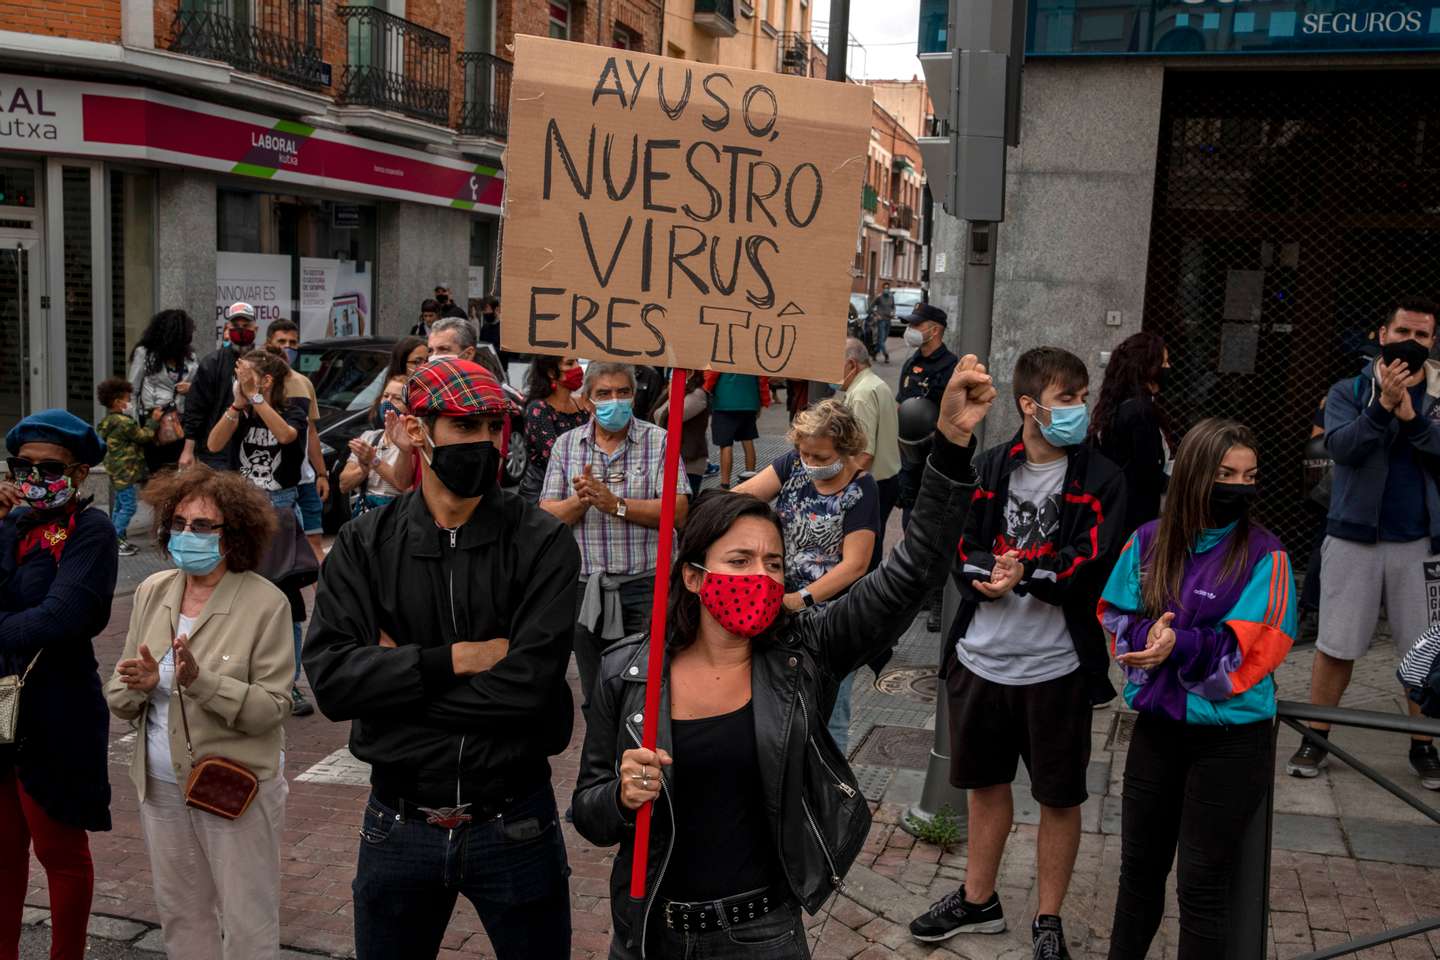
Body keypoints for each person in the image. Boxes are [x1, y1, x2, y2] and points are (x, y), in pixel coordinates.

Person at [572, 356, 996, 960]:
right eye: (739, 562)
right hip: (650, 934)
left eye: (773, 564)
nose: (762, 578)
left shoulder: (806, 651)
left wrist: (951, 447)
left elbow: (912, 571)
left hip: (764, 933)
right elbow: (589, 813)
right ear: (694, 578)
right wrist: (620, 795)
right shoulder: (628, 673)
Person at [304, 358, 579, 960]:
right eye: (463, 426)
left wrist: (395, 677)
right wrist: (451, 660)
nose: (482, 442)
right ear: (415, 430)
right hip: (399, 823)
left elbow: (531, 690)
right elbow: (332, 680)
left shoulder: (542, 542)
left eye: (490, 426)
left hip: (513, 820)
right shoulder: (365, 544)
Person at [910, 347, 1125, 960]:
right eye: (1068, 399)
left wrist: (1021, 573)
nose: (1080, 410)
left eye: (1084, 397)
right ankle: (979, 901)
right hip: (982, 658)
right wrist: (991, 573)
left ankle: (1048, 918)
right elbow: (959, 546)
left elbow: (1091, 562)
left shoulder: (1103, 476)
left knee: (1060, 796)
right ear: (1031, 406)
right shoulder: (989, 466)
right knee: (985, 786)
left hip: (1057, 669)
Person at [1098, 418, 1295, 959]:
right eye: (1226, 474)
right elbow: (1114, 614)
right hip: (1158, 731)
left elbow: (1253, 652)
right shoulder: (1147, 541)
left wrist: (1174, 645)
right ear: (1192, 475)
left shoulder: (1267, 555)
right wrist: (1148, 637)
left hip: (1232, 742)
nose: (1240, 486)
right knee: (1137, 875)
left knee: (1202, 888)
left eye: (1250, 475)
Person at [104, 466, 293, 960]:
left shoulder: (265, 602)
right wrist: (138, 687)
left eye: (204, 526)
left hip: (234, 786)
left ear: (235, 533)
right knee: (182, 915)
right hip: (161, 786)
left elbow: (273, 709)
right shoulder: (154, 590)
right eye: (180, 523)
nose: (189, 535)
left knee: (247, 919)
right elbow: (120, 692)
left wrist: (199, 682)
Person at [1289, 298, 1440, 788]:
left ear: (1433, 343)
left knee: (1424, 647)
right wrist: (1381, 408)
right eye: (1403, 333)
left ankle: (1423, 744)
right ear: (1382, 334)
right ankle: (1317, 737)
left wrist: (1414, 417)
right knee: (1336, 643)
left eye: (1421, 337)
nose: (1411, 344)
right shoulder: (1348, 390)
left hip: (1420, 543)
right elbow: (1340, 447)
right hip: (1353, 537)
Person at [0, 411, 117, 960]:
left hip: (58, 709)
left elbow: (64, 617)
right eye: (21, 466)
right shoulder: (13, 525)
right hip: (2, 703)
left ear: (79, 472)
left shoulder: (90, 530)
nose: (33, 477)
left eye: (49, 468)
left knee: (59, 850)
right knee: (2, 852)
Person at [540, 362, 691, 710]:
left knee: (648, 690)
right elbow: (548, 516)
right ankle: (602, 761)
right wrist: (582, 500)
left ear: (634, 396)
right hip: (586, 590)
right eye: (604, 394)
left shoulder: (659, 441)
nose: (615, 401)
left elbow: (679, 511)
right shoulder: (567, 446)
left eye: (623, 392)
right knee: (597, 694)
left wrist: (616, 505)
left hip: (647, 588)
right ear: (588, 400)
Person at [735, 398, 880, 754]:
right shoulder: (791, 466)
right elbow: (738, 499)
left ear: (845, 450)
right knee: (774, 699)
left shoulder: (862, 490)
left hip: (830, 616)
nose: (810, 464)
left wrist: (799, 600)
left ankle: (829, 792)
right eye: (805, 454)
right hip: (776, 608)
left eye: (821, 457)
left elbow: (855, 564)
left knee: (831, 710)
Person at [205, 349, 315, 718]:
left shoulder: (292, 403)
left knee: (284, 599)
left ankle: (289, 684)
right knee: (235, 593)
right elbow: (214, 445)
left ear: (266, 380)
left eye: (247, 374)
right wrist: (237, 405)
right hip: (241, 506)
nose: (240, 379)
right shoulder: (242, 408)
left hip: (279, 508)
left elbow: (286, 436)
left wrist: (256, 398)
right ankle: (239, 673)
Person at [1089, 331, 1175, 542]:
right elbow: (1147, 472)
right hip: (1133, 518)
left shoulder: (1118, 405)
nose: (1169, 368)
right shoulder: (1139, 411)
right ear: (1148, 368)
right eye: (1164, 362)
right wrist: (1180, 484)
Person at [264, 319, 329, 563]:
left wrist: (321, 473)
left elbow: (311, 432)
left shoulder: (303, 383)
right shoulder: (256, 385)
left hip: (304, 480)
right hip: (272, 484)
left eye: (292, 342)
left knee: (313, 542)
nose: (287, 348)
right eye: (281, 342)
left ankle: (324, 598)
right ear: (270, 344)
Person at [838, 337, 902, 558]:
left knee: (864, 552)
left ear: (852, 365)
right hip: (886, 480)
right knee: (872, 543)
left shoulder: (861, 395)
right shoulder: (875, 383)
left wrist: (839, 487)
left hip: (871, 482)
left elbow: (864, 454)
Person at [896, 303, 958, 527]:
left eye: (915, 324)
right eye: (909, 324)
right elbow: (900, 404)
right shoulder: (911, 362)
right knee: (908, 515)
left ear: (934, 330)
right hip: (909, 457)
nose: (910, 329)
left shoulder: (951, 366)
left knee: (932, 518)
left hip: (935, 457)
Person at [180, 302, 258, 469]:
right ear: (227, 330)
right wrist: (188, 450)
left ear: (256, 329)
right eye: (236, 326)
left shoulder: (264, 362)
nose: (241, 330)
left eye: (246, 326)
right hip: (217, 451)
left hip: (255, 450)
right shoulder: (213, 363)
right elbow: (195, 407)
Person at [128, 308, 198, 473]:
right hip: (154, 421)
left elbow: (201, 388)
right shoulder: (145, 354)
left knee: (179, 472)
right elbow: (132, 391)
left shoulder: (191, 358)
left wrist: (191, 389)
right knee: (158, 473)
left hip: (180, 423)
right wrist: (135, 427)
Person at [97, 377, 161, 556]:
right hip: (125, 471)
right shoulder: (124, 422)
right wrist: (153, 421)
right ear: (118, 402)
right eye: (127, 399)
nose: (130, 403)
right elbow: (143, 436)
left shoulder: (108, 421)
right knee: (129, 506)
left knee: (119, 506)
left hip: (116, 469)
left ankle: (119, 539)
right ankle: (115, 540)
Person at [341, 375, 415, 512]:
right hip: (366, 513)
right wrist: (363, 469)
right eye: (385, 396)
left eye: (397, 399)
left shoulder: (414, 442)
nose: (388, 402)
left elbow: (404, 485)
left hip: (396, 512)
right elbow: (344, 485)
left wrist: (373, 460)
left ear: (410, 407)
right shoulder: (369, 437)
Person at [520, 356, 589, 502]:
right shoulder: (539, 409)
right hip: (542, 493)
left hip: (577, 490)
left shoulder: (580, 405)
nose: (577, 367)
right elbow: (554, 456)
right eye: (570, 363)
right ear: (551, 373)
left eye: (577, 361)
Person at [704, 372, 769, 489]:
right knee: (748, 440)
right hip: (749, 399)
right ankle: (750, 477)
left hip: (724, 401)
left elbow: (712, 373)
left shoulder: (722, 352)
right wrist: (763, 400)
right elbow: (762, 377)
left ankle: (725, 483)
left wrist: (706, 389)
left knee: (725, 444)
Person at [652, 371, 711, 497]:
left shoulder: (697, 394)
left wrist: (672, 391)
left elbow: (675, 416)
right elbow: (657, 414)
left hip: (688, 462)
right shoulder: (672, 392)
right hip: (666, 458)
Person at [369, 336, 430, 428]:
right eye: (417, 362)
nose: (424, 367)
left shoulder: (435, 395)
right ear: (401, 363)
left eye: (427, 361)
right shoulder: (386, 406)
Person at [868, 281, 895, 363]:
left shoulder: (891, 297)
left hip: (888, 320)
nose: (886, 289)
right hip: (881, 321)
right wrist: (877, 315)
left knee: (883, 339)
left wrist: (893, 312)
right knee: (881, 338)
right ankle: (886, 355)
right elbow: (870, 307)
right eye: (885, 288)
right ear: (882, 289)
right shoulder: (879, 297)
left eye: (887, 288)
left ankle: (874, 353)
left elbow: (893, 307)